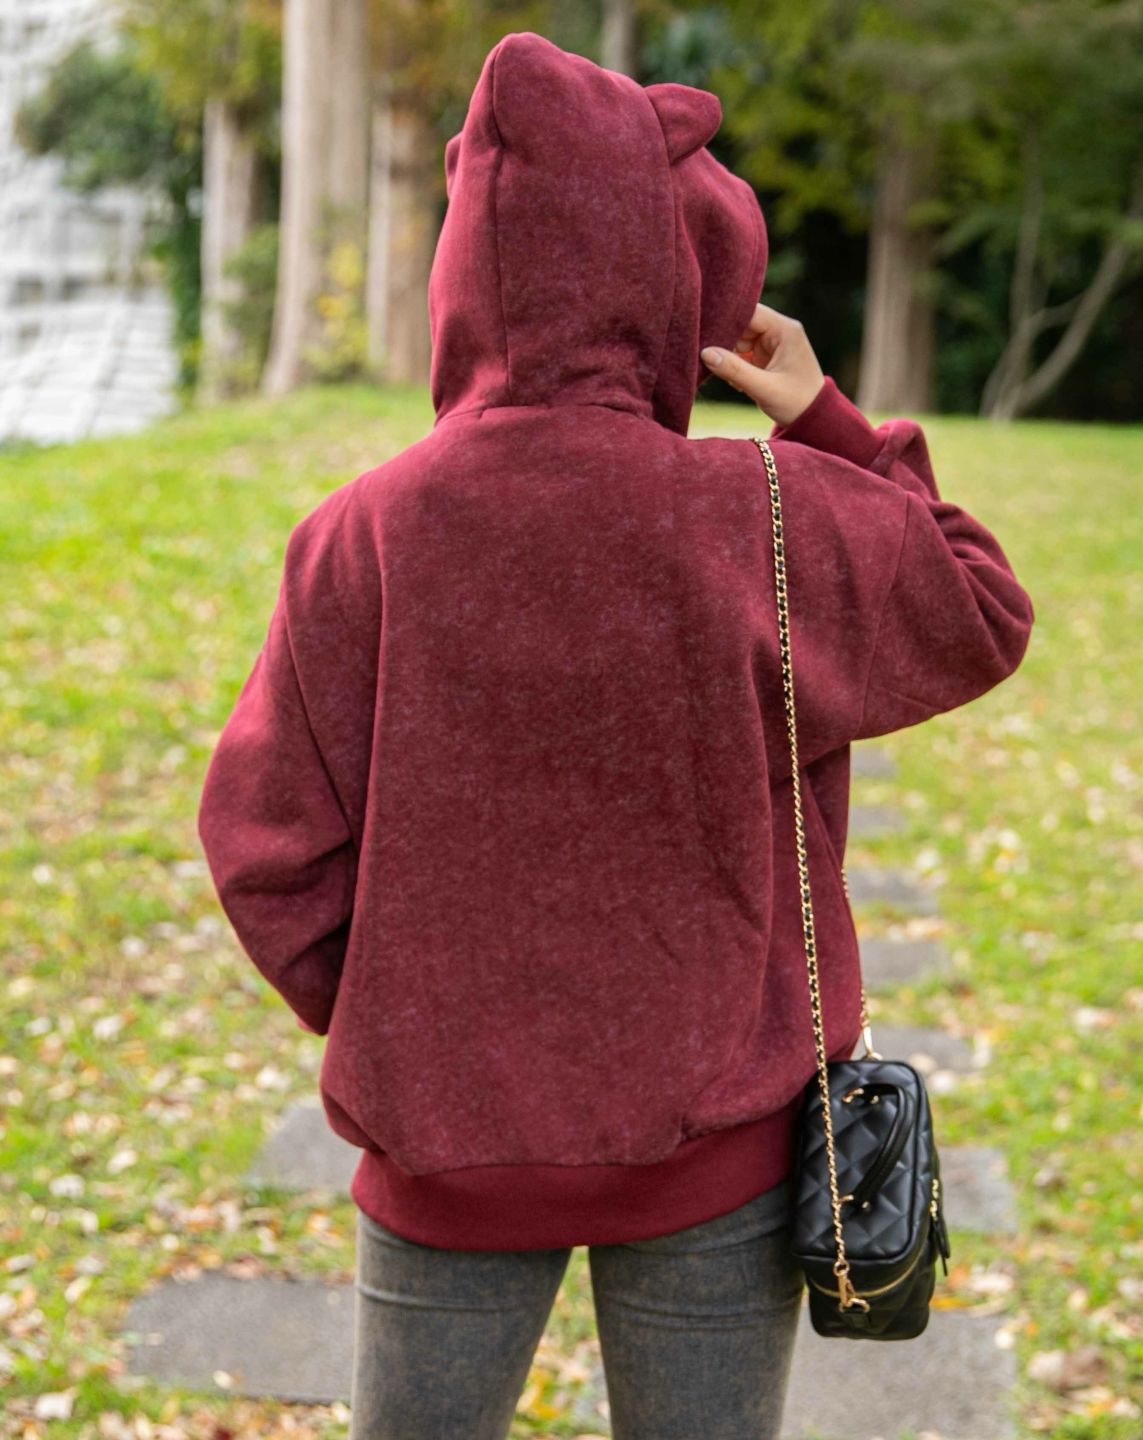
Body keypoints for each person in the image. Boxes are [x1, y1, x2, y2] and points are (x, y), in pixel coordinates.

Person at [195, 30, 1035, 1440]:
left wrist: (405, 1013)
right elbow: (976, 607)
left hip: (444, 1148)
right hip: (718, 1145)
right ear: (674, 278)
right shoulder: (759, 515)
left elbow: (262, 846)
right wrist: (822, 414)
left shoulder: (361, 534)